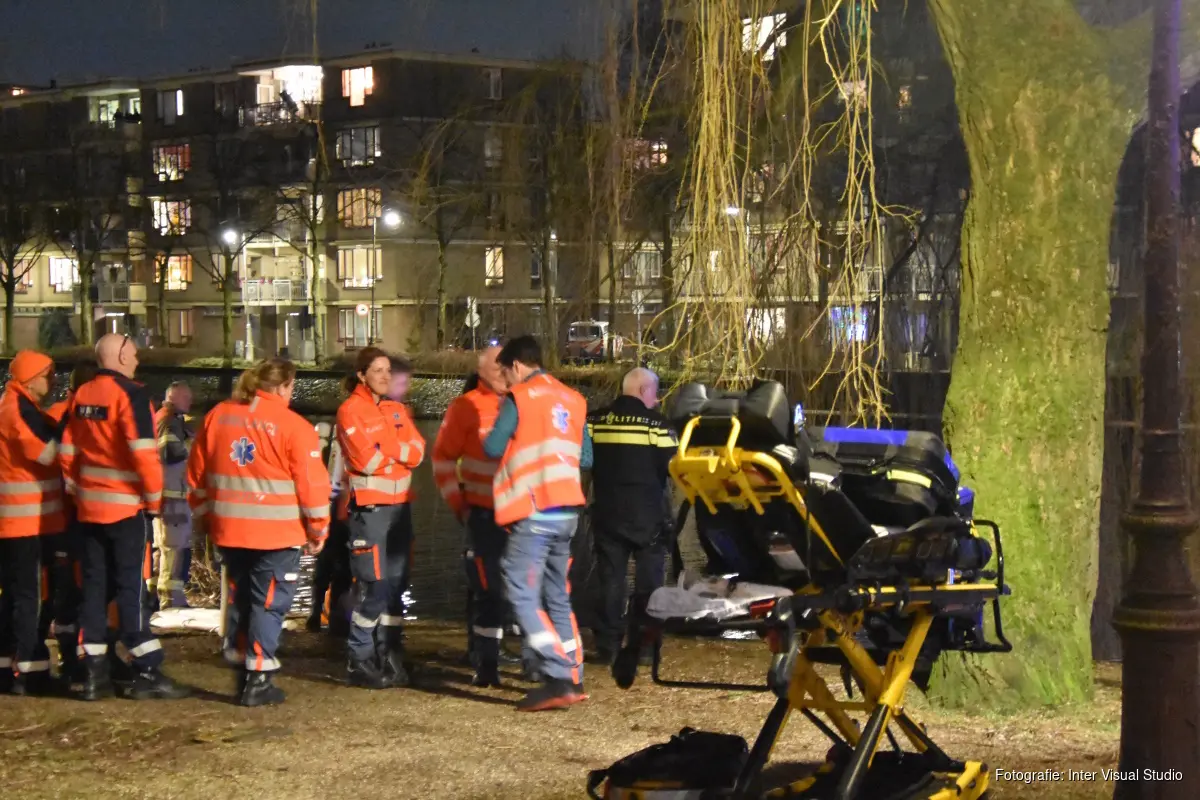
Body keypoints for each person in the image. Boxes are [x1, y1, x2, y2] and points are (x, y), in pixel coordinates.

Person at [187, 358, 331, 706]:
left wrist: (204, 516)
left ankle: (240, 663)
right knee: (269, 604)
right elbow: (312, 487)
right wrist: (318, 530)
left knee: (240, 596)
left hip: (228, 528)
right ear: (283, 386)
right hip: (276, 534)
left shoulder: (219, 416)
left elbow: (196, 473)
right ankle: (259, 679)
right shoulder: (294, 426)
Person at [60, 333, 189, 701]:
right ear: (118, 357)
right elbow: (144, 455)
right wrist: (153, 500)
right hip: (125, 509)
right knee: (131, 589)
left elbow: (67, 451)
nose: (136, 360)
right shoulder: (131, 396)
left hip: (89, 508)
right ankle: (145, 667)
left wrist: (77, 489)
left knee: (94, 588)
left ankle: (93, 673)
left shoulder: (82, 394)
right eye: (132, 354)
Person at [482, 335, 593, 712]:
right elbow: (587, 457)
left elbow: (493, 447)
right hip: (567, 512)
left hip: (534, 510)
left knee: (521, 592)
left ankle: (557, 675)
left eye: (505, 373)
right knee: (557, 596)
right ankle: (574, 674)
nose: (505, 381)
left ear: (516, 366)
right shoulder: (574, 399)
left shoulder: (521, 397)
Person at [336, 347, 425, 689]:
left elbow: (418, 453)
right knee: (374, 585)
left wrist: (387, 450)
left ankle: (387, 653)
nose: (386, 376)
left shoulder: (396, 409)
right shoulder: (350, 411)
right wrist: (397, 453)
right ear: (361, 375)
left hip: (400, 509)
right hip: (371, 510)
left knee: (395, 584)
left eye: (388, 370)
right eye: (378, 370)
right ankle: (359, 658)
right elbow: (366, 461)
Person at [586, 367, 678, 665]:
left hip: (608, 514)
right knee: (649, 584)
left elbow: (584, 461)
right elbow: (675, 469)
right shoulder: (658, 425)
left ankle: (607, 645)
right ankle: (645, 647)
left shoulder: (594, 421)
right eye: (655, 392)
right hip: (648, 518)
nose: (657, 399)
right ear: (643, 391)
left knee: (610, 580)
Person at [433, 345, 510, 687]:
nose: (504, 373)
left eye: (507, 366)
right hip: (483, 514)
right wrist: (458, 505)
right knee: (485, 590)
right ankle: (485, 662)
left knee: (517, 590)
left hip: (521, 515)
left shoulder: (522, 403)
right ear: (482, 372)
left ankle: (515, 657)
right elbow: (442, 459)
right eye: (497, 367)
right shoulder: (466, 407)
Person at [0, 351, 67, 695]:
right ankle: (29, 671)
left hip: (19, 521)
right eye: (47, 375)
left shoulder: (17, 406)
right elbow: (44, 453)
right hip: (25, 522)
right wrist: (69, 428)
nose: (52, 381)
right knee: (30, 596)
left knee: (14, 595)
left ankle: (8, 667)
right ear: (29, 378)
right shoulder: (17, 411)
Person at [305, 425, 352, 637]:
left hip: (328, 505)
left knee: (325, 565)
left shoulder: (332, 444)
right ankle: (335, 620)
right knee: (341, 568)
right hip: (345, 509)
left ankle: (317, 613)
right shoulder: (354, 440)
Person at [153, 381, 194, 610]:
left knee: (163, 548)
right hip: (172, 496)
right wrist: (193, 444)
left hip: (166, 495)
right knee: (174, 547)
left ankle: (155, 595)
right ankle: (170, 599)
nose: (190, 402)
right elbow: (169, 452)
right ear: (173, 397)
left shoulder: (166, 418)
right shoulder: (170, 421)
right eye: (186, 397)